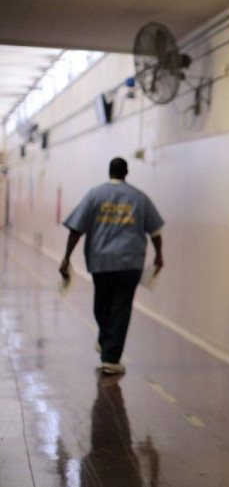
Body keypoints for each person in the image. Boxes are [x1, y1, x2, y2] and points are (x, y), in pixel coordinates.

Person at [59, 157, 164, 375]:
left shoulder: (94, 195)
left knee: (104, 304)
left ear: (109, 172)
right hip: (130, 262)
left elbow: (75, 229)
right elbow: (155, 232)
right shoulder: (139, 198)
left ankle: (110, 357)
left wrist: (66, 257)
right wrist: (159, 255)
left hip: (101, 262)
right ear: (126, 173)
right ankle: (107, 341)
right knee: (119, 308)